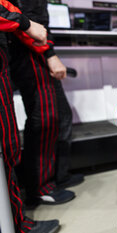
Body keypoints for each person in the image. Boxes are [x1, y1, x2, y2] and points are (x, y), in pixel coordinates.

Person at [7, 0, 84, 208]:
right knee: (45, 117)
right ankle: (40, 189)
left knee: (57, 114)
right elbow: (29, 22)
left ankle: (56, 177)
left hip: (31, 45)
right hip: (28, 48)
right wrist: (50, 54)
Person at [0, 0, 59, 232]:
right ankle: (16, 221)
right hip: (25, 45)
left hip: (15, 41)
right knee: (7, 144)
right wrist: (26, 25)